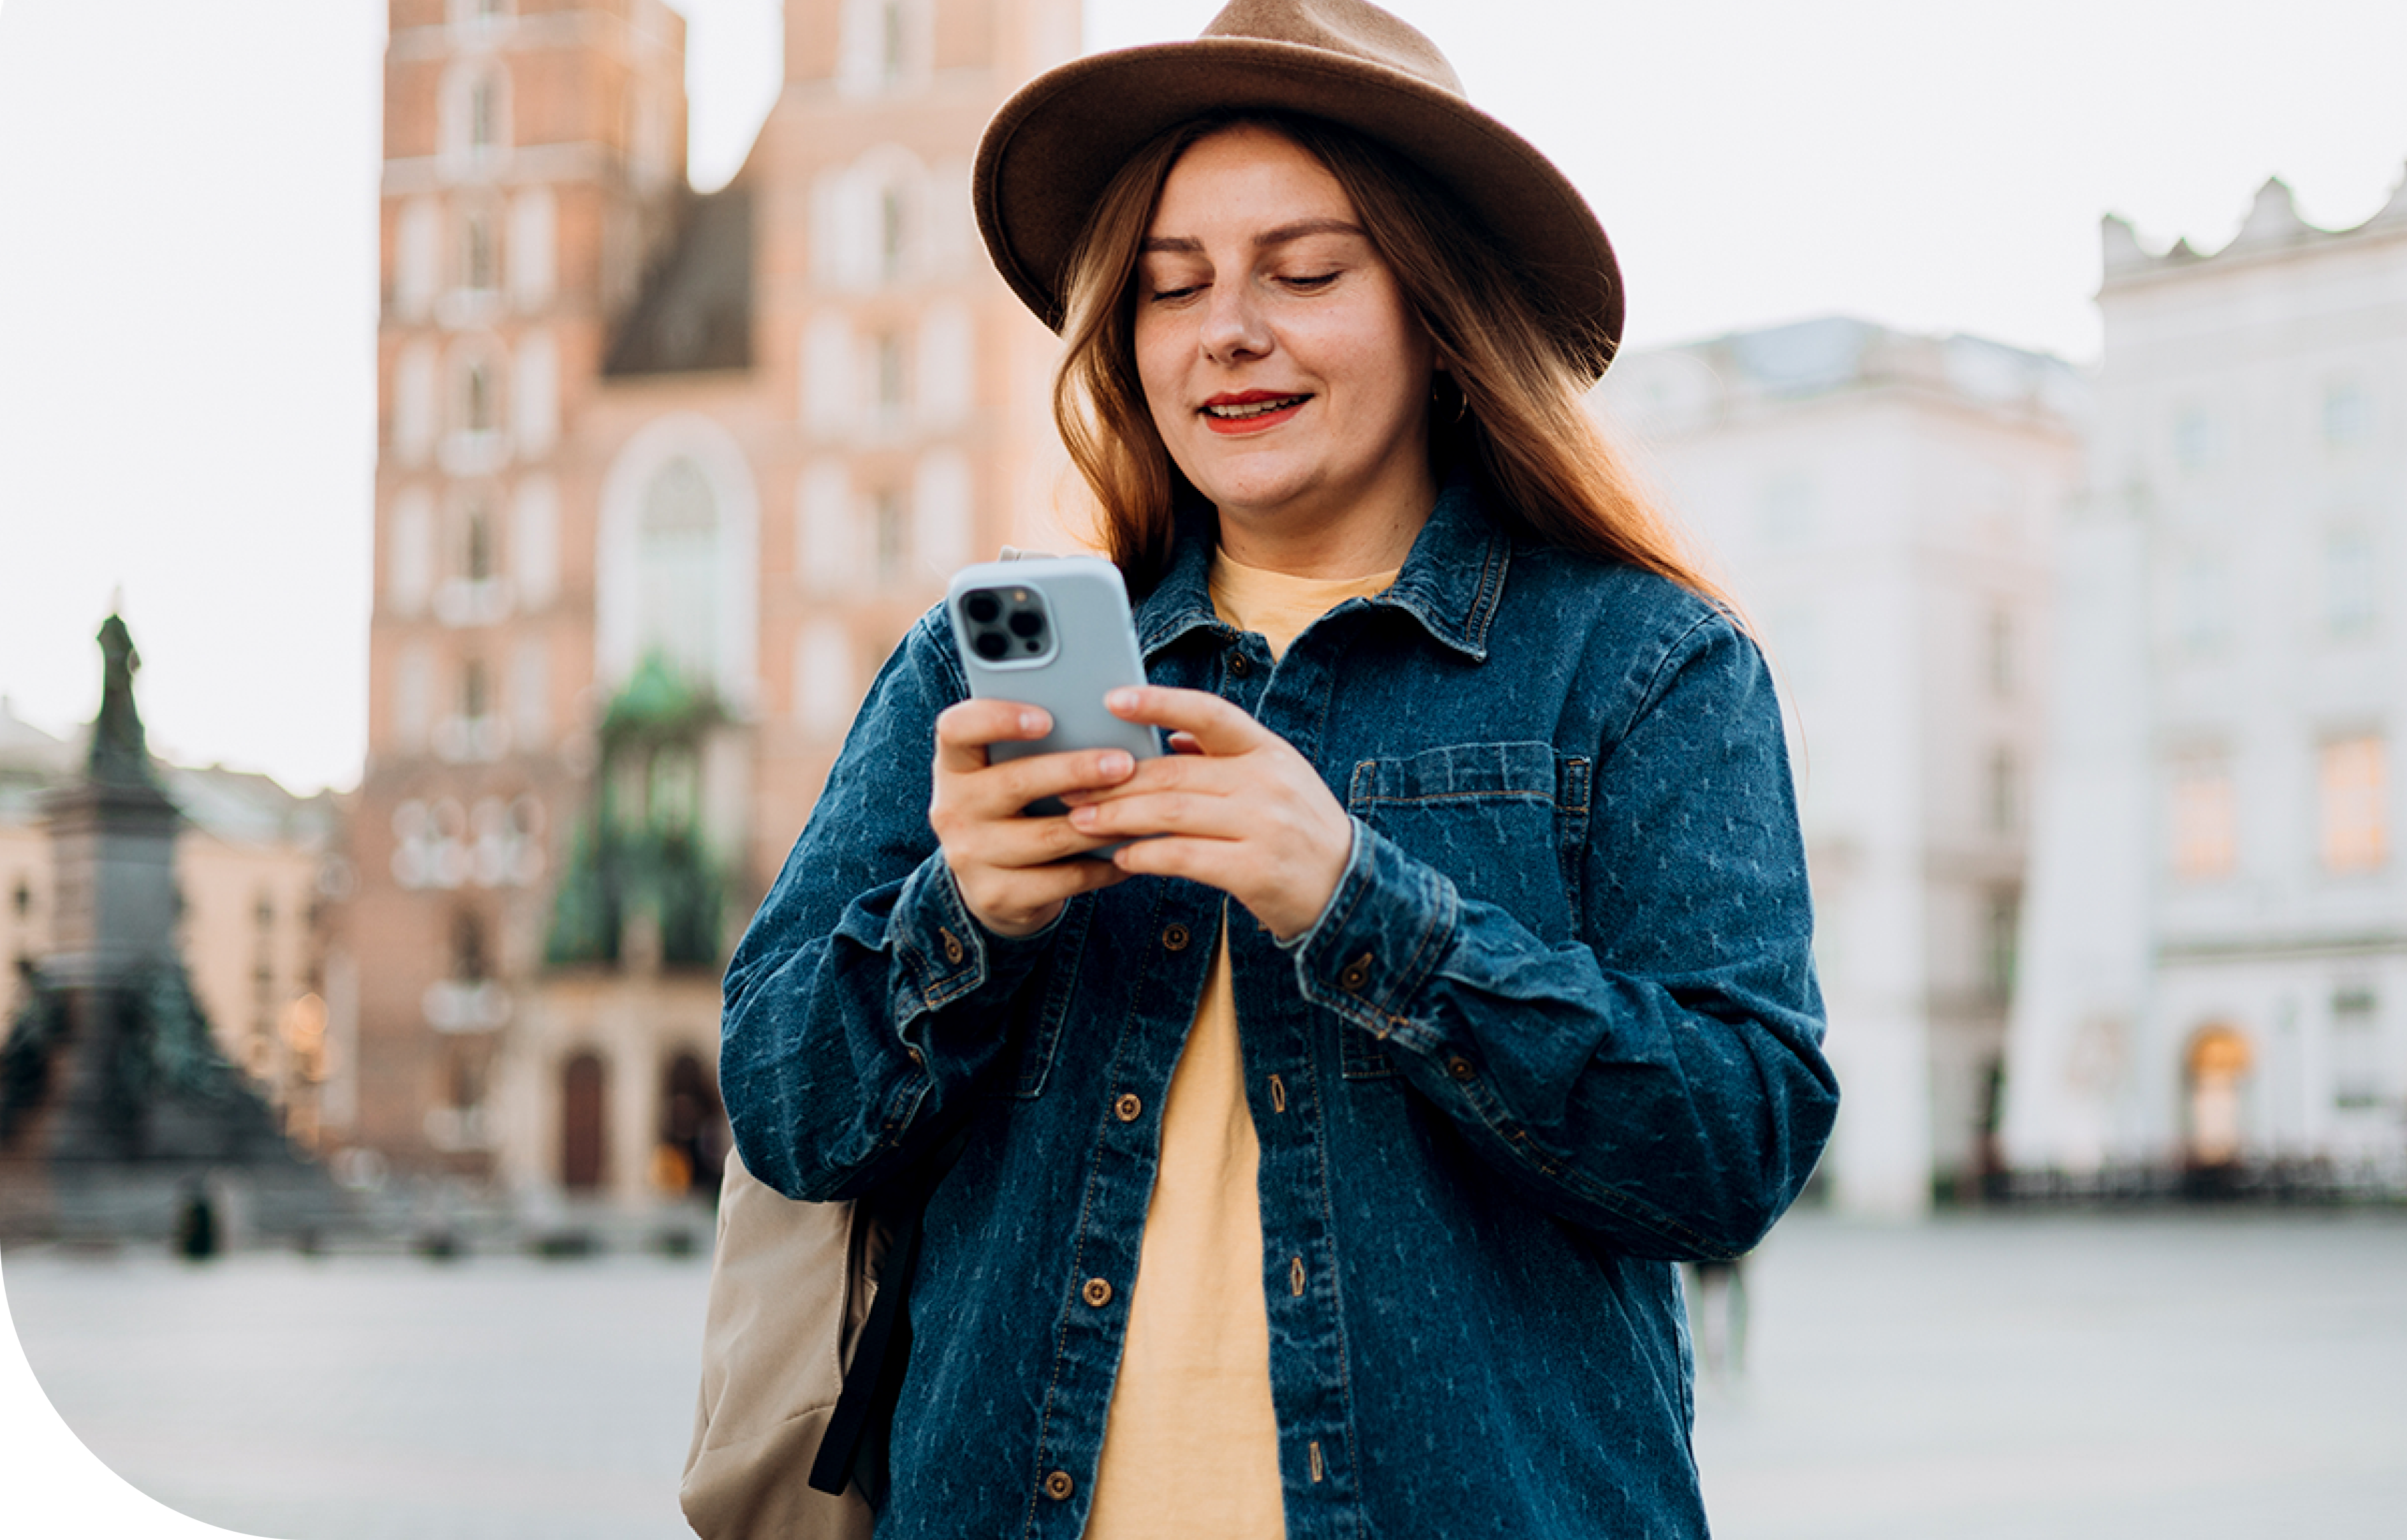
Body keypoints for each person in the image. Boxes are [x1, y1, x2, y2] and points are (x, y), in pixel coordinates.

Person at [720, 1, 1838, 1535]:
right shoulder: (970, 669)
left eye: (1303, 273)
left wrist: (1360, 903)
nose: (1226, 331)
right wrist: (963, 911)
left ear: (1440, 311)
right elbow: (785, 1107)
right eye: (1169, 289)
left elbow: (1737, 1141)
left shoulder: (1645, 664)